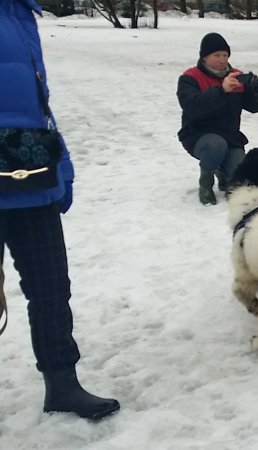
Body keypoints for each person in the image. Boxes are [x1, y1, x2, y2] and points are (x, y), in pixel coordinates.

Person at [0, 0, 120, 421]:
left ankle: (62, 383)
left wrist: (61, 164)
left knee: (51, 288)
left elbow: (39, 106)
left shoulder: (22, 15)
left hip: (29, 174)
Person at [177, 32, 258, 205]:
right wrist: (221, 90)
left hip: (230, 137)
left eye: (225, 55)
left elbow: (255, 107)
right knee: (215, 145)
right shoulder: (190, 78)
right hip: (197, 136)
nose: (222, 59)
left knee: (241, 173)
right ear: (204, 57)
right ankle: (206, 183)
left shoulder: (236, 76)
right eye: (216, 55)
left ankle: (224, 173)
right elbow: (192, 107)